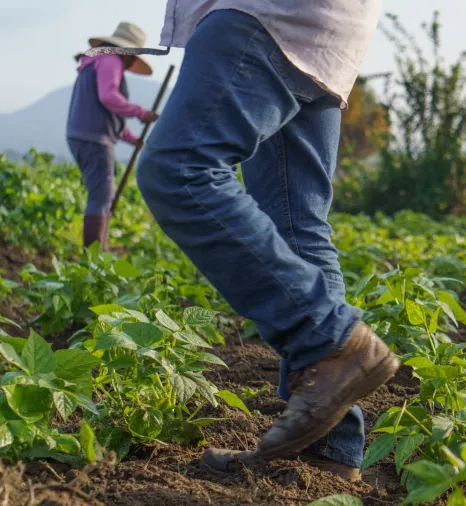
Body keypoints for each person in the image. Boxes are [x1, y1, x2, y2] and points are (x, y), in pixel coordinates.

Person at [133, 4, 398, 482]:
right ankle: (328, 451)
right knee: (297, 225)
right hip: (328, 32)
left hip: (262, 14)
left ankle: (328, 342)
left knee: (179, 168)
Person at [66, 22, 159, 251]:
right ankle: (95, 260)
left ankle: (98, 252)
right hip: (94, 139)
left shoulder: (97, 61)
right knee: (101, 198)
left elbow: (108, 113)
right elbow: (108, 97)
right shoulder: (111, 60)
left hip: (82, 135)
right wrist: (140, 112)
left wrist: (131, 139)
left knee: (100, 195)